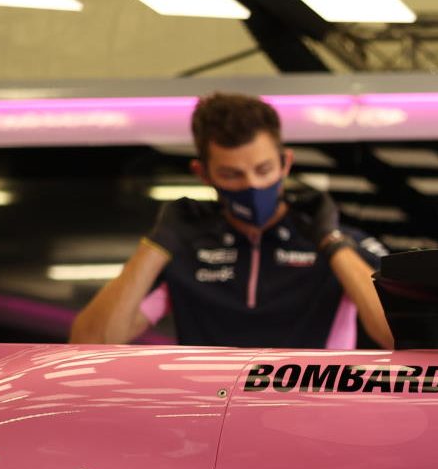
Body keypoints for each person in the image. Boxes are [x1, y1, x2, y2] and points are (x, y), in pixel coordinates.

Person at [70, 92, 392, 349]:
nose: (251, 185)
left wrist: (332, 242)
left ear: (285, 163)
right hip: (210, 425)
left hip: (313, 422)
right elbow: (90, 343)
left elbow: (394, 335)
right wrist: (158, 243)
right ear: (203, 173)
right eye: (232, 174)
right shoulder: (183, 250)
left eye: (263, 170)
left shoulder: (337, 247)